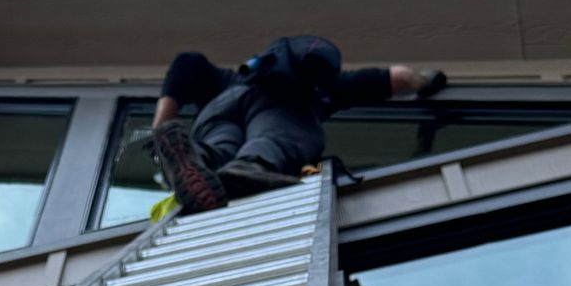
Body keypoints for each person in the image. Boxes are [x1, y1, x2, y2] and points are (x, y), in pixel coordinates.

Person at [149, 35, 447, 212]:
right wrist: (428, 80)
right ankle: (252, 167)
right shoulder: (329, 88)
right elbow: (401, 78)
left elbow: (186, 63)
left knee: (219, 146)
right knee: (275, 138)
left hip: (219, 107)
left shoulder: (230, 78)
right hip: (284, 109)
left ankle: (196, 159)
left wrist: (158, 131)